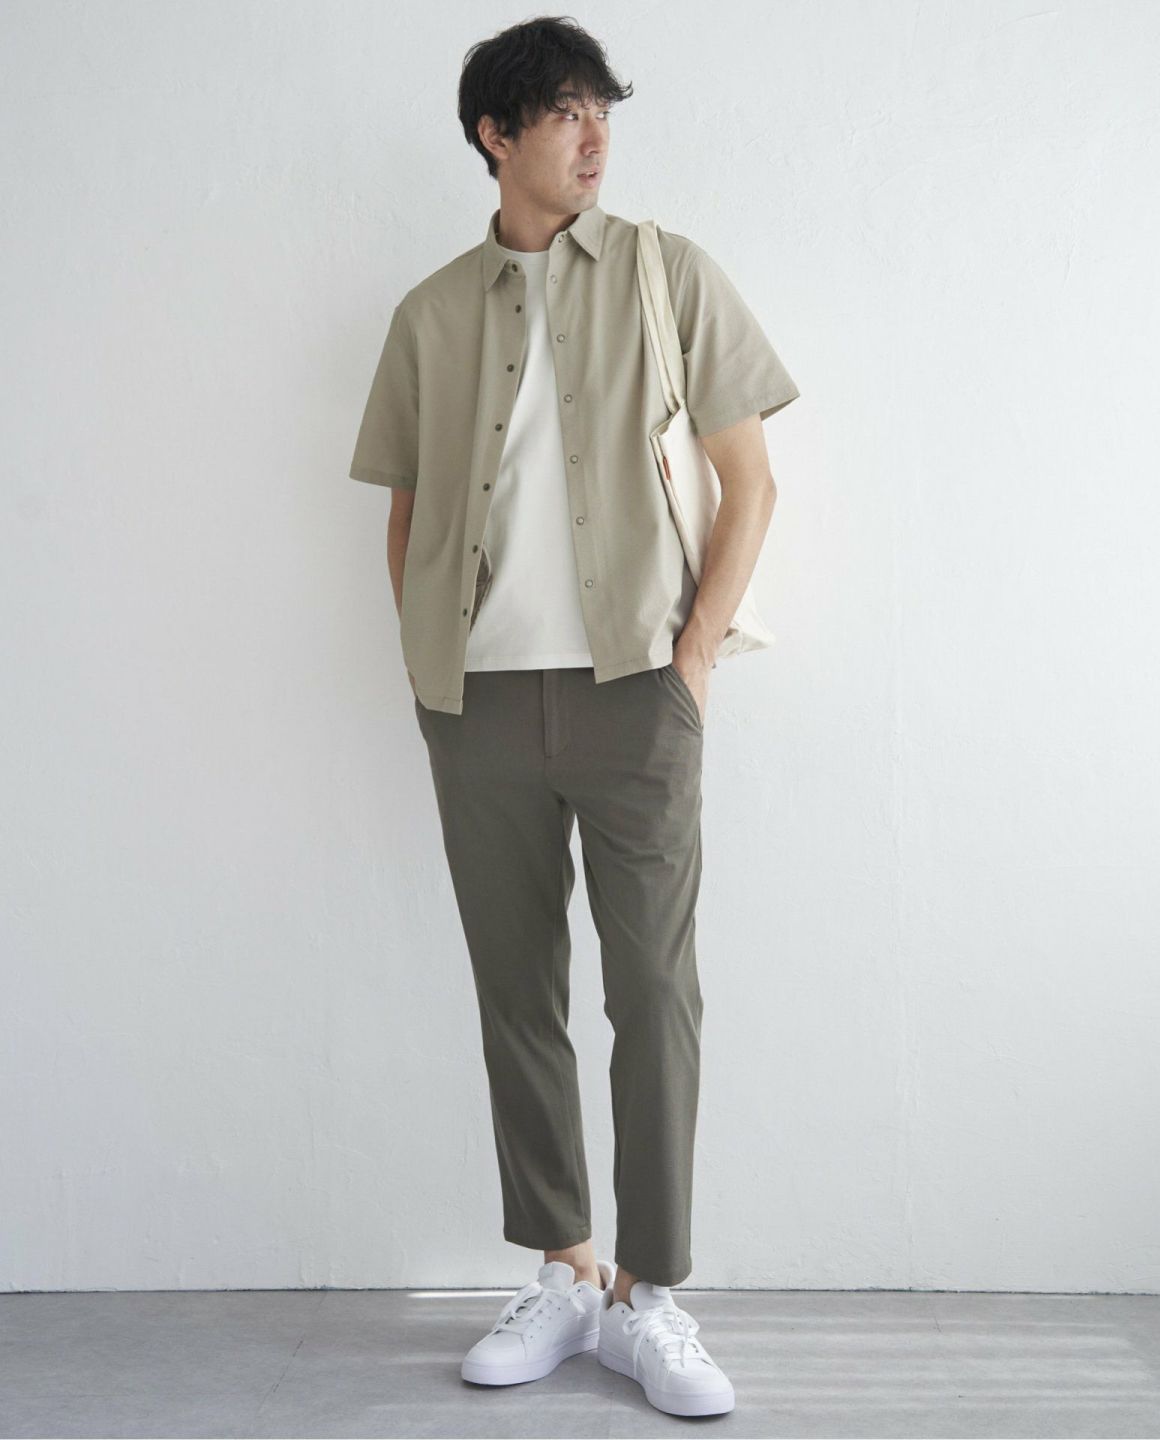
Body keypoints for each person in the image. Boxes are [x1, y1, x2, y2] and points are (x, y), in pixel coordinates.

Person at [348, 15, 799, 1421]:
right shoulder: (430, 314)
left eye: (603, 109)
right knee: (517, 991)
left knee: (653, 991)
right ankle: (563, 1270)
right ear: (496, 135)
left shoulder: (670, 273)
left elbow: (750, 483)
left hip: (636, 693)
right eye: (563, 112)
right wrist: (430, 667)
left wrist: (695, 656)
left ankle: (649, 1296)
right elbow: (408, 513)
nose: (594, 135)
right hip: (478, 703)